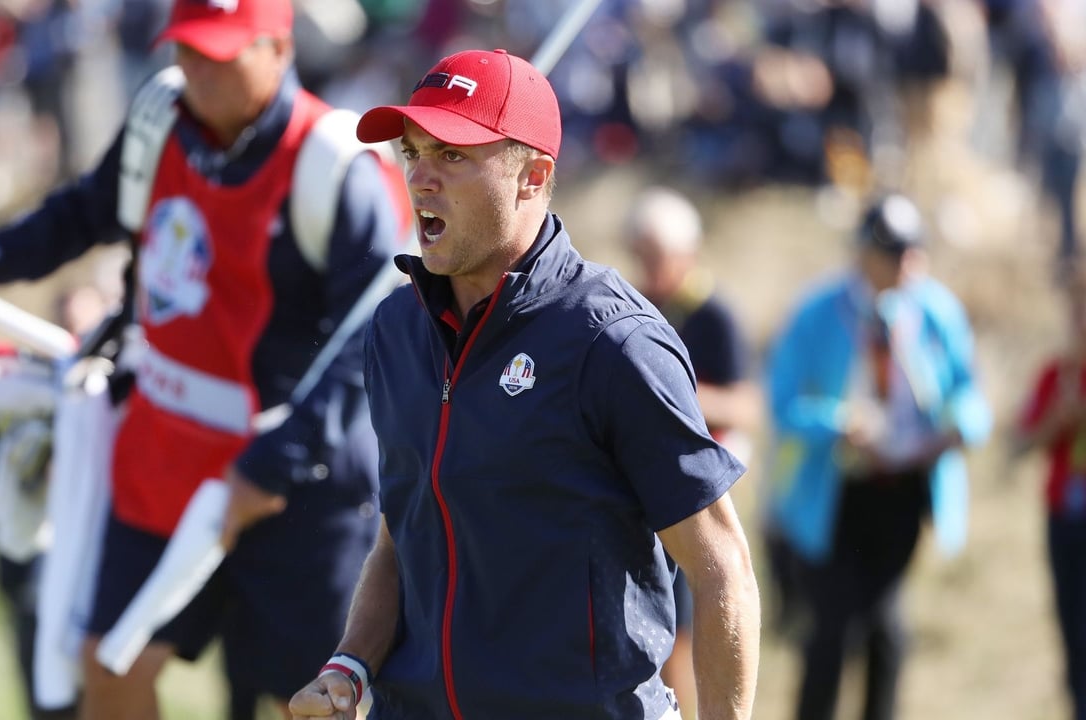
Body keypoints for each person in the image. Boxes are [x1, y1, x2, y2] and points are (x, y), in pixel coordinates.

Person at [0, 0, 410, 717]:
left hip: (299, 482)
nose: (197, 71)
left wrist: (270, 467)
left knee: (316, 699)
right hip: (165, 457)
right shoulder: (160, 123)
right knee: (109, 663)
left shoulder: (337, 165)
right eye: (187, 50)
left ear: (276, 48)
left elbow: (376, 341)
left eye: (221, 54)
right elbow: (88, 209)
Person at [288, 48, 760, 720]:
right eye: (413, 151)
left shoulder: (613, 341)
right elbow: (403, 532)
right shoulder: (395, 330)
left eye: (452, 155)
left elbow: (723, 573)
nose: (421, 177)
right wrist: (350, 664)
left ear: (532, 176)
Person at [764, 193, 991, 720]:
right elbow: (783, 401)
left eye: (916, 252)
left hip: (904, 490)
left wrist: (959, 429)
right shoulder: (819, 312)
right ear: (864, 253)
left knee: (887, 627)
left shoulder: (934, 310)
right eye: (896, 253)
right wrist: (839, 423)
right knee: (832, 632)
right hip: (836, 494)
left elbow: (970, 395)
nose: (909, 265)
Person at [625, 186, 760, 716]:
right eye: (641, 254)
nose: (648, 267)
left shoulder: (714, 314)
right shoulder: (632, 307)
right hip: (642, 494)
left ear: (688, 253)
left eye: (657, 256)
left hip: (696, 492)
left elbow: (746, 405)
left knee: (689, 618)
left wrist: (673, 396)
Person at [1013, 263, 1086, 720]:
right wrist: (1057, 421)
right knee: (1073, 632)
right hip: (1065, 516)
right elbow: (1021, 442)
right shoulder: (1055, 375)